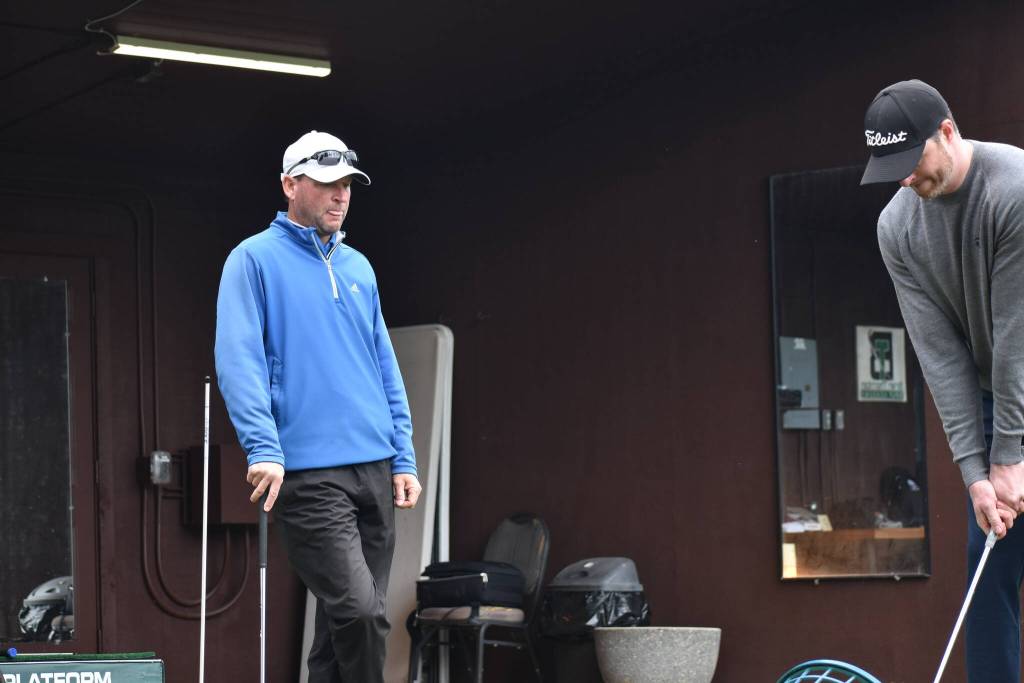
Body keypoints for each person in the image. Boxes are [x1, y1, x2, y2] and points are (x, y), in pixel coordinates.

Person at [215, 130, 421, 683]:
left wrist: (403, 456)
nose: (341, 195)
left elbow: (384, 365)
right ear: (290, 185)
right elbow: (238, 360)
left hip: (374, 468)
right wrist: (262, 447)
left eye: (348, 185)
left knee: (338, 635)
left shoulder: (359, 268)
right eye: (328, 183)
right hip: (308, 474)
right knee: (362, 613)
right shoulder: (252, 260)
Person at [863, 79, 1024, 682]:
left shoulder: (1013, 189)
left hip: (1017, 365)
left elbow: (1015, 335)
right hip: (992, 389)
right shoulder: (896, 228)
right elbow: (941, 356)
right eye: (892, 169)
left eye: (912, 160)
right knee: (989, 561)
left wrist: (1008, 457)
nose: (905, 178)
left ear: (948, 132)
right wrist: (976, 476)